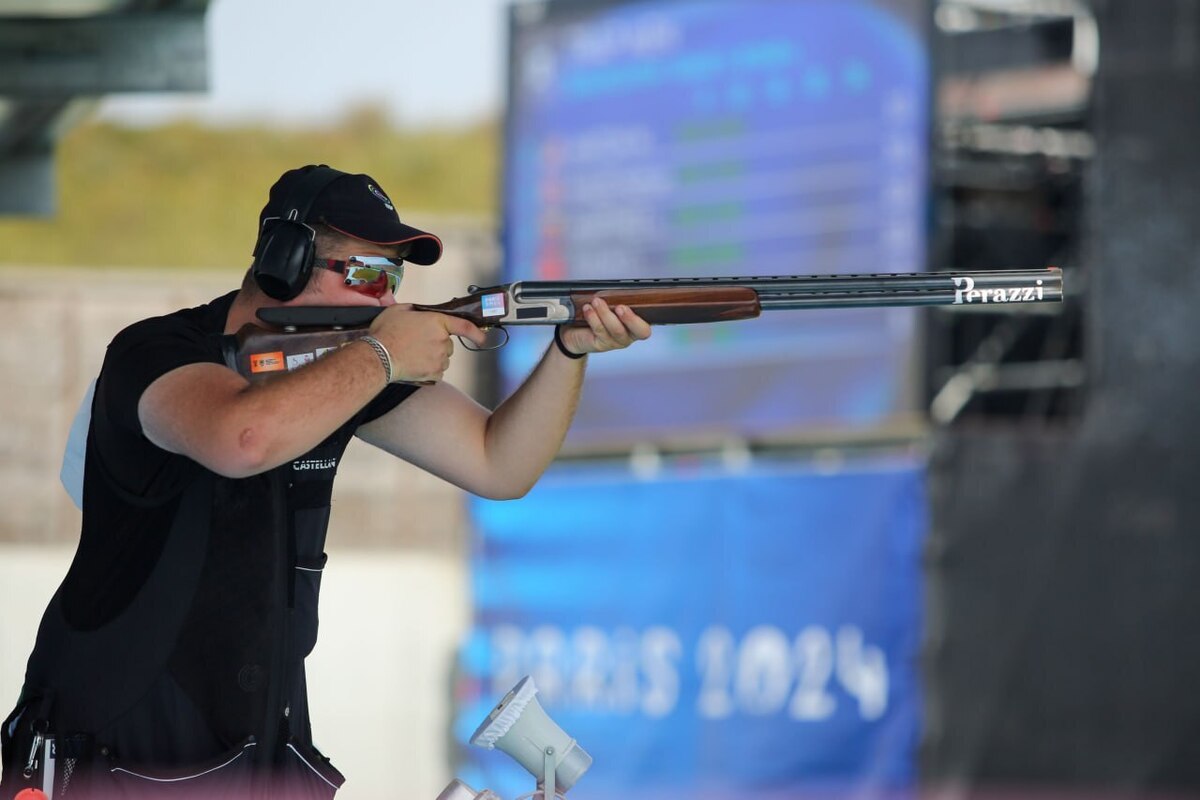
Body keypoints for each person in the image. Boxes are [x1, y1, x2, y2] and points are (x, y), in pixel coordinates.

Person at [0, 164, 650, 799]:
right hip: (115, 754)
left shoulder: (347, 367)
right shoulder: (157, 352)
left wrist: (568, 350)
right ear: (284, 259)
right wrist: (384, 355)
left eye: (394, 278)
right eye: (369, 274)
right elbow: (243, 437)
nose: (389, 299)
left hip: (259, 750)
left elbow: (497, 464)